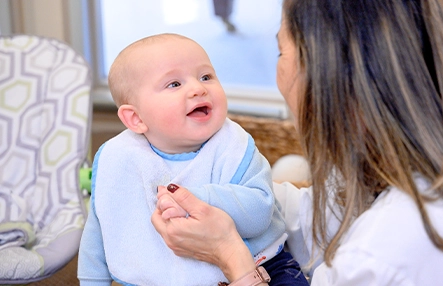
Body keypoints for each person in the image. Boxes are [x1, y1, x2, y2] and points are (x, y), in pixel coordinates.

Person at [152, 0, 443, 285]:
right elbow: (318, 216)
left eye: (280, 53)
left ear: (326, 79)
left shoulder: (387, 253)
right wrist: (242, 188)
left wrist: (229, 254)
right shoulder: (440, 167)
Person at [77, 33, 308, 285]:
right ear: (136, 119)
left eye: (206, 77)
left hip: (260, 266)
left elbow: (259, 212)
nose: (198, 88)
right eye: (174, 84)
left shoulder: (234, 146)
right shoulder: (119, 157)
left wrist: (195, 199)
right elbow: (99, 230)